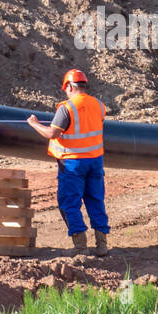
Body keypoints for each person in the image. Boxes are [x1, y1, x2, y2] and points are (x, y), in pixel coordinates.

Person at [26, 69, 110, 257]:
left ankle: (80, 247)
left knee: (69, 203)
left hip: (73, 164)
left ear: (70, 87)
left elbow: (51, 134)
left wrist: (34, 124)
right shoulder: (98, 104)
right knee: (96, 201)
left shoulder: (67, 108)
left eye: (66, 89)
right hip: (95, 162)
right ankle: (102, 245)